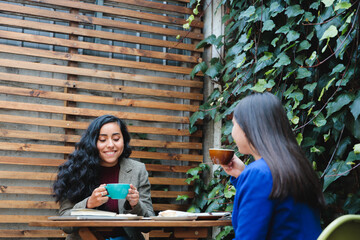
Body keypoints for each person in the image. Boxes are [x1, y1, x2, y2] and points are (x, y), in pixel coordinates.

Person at [220, 92, 325, 240]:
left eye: (234, 124)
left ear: (249, 127)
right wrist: (242, 175)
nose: (232, 133)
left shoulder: (259, 175)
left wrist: (249, 176)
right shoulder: (298, 166)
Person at [53, 115, 154, 240]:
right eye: (102, 140)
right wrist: (89, 204)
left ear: (124, 140)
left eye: (116, 139)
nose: (110, 145)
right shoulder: (75, 170)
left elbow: (148, 224)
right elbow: (65, 224)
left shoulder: (138, 170)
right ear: (92, 142)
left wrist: (135, 205)